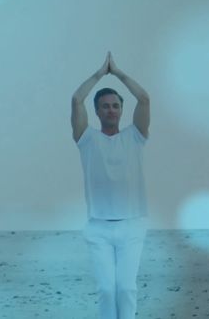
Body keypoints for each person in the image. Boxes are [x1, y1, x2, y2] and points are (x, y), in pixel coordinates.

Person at [71, 51, 151, 319]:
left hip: (132, 225)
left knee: (126, 288)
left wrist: (117, 73)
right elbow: (76, 99)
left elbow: (144, 98)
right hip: (99, 227)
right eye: (105, 106)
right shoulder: (87, 139)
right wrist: (98, 74)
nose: (111, 110)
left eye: (115, 105)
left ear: (121, 110)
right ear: (97, 111)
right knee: (107, 289)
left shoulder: (135, 136)